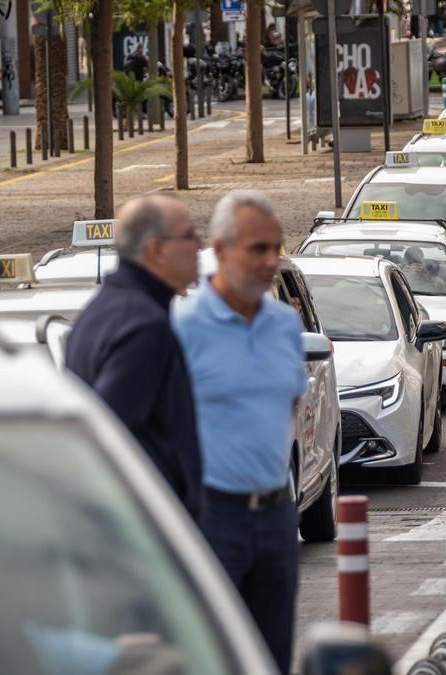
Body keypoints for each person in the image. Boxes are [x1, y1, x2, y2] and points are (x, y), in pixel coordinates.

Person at [174, 191, 307, 675]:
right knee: (213, 657)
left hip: (276, 517)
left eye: (277, 248)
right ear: (221, 249)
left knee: (272, 656)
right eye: (258, 249)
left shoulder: (284, 325)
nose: (272, 261)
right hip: (213, 519)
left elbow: (288, 400)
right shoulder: (182, 328)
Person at [64, 195, 204, 517]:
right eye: (189, 236)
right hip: (145, 521)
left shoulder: (102, 312)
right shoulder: (144, 327)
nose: (199, 245)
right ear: (156, 250)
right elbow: (110, 432)